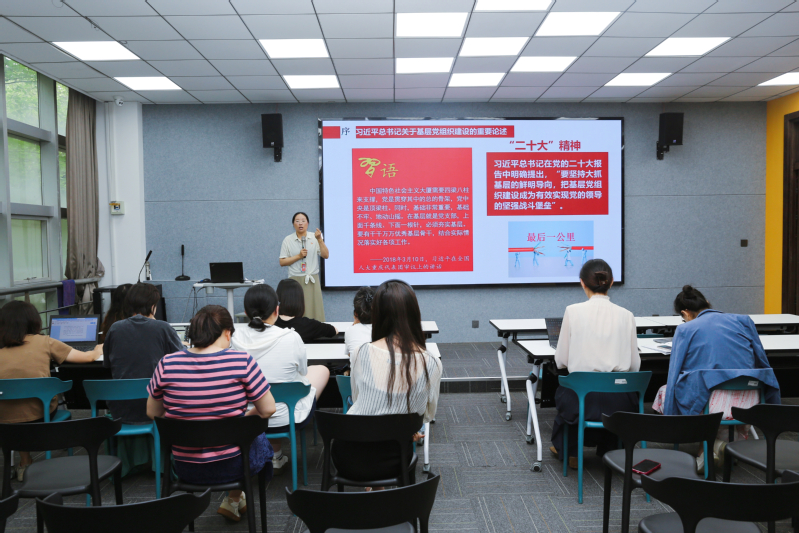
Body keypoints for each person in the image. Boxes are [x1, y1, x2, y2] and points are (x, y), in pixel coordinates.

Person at [146, 305, 276, 523]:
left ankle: (235, 500)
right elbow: (268, 409)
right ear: (227, 333)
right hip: (234, 465)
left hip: (186, 467)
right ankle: (237, 498)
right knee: (257, 437)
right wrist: (238, 424)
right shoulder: (242, 361)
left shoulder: (167, 363)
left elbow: (153, 412)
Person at [651, 285, 780, 470]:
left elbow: (674, 373)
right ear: (707, 303)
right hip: (750, 401)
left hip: (711, 404)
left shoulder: (686, 329)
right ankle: (721, 446)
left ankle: (706, 447)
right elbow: (762, 361)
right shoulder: (744, 321)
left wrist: (672, 424)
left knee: (667, 391)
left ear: (685, 313)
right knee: (714, 386)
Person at [334, 280, 442, 483]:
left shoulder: (360, 353)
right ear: (414, 314)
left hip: (349, 456)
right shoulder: (432, 363)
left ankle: (375, 490)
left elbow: (358, 402)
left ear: (377, 315)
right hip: (396, 457)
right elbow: (427, 415)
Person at [550, 259, 640, 468]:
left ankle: (571, 452)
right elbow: (634, 367)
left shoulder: (572, 311)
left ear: (582, 282)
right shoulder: (627, 315)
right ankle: (611, 451)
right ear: (612, 282)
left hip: (581, 399)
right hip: (620, 401)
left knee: (568, 393)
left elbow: (561, 361)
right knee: (610, 398)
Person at [231, 284, 329, 474]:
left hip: (247, 415)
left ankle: (273, 453)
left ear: (246, 312)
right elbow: (302, 371)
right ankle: (274, 453)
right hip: (286, 416)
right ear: (277, 310)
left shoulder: (233, 337)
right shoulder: (291, 337)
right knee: (320, 371)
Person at [0, 301, 103, 480]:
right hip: (40, 415)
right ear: (33, 321)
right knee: (36, 402)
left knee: (17, 407)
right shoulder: (44, 341)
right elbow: (87, 357)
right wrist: (98, 348)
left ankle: (24, 462)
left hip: (4, 418)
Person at [103, 283, 183, 425]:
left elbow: (108, 365)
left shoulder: (115, 328)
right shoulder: (163, 328)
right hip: (156, 409)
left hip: (121, 410)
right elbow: (182, 362)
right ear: (153, 305)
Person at [279, 212, 329, 321]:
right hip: (295, 281)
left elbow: (326, 255)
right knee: (297, 311)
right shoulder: (288, 240)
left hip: (312, 279)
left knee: (314, 311)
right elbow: (282, 262)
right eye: (297, 221)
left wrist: (320, 240)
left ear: (308, 223)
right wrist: (299, 256)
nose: (300, 223)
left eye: (303, 221)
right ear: (293, 224)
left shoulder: (314, 237)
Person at [345, 287, 374, 362]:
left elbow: (350, 354)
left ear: (356, 313)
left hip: (357, 370)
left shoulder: (350, 330)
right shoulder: (385, 330)